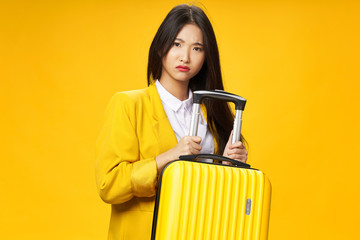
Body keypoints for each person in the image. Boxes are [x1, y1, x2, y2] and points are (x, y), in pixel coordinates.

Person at [95, 4, 248, 240]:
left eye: (197, 48)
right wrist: (168, 157)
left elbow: (218, 194)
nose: (185, 57)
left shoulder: (215, 111)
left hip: (202, 231)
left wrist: (230, 168)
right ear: (160, 47)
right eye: (177, 44)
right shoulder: (129, 104)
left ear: (207, 57)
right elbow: (109, 184)